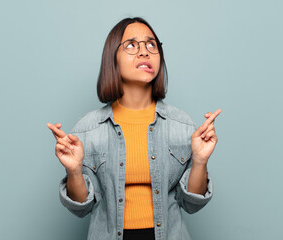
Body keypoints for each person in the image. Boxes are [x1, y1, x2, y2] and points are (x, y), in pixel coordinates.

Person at [47, 17, 221, 240]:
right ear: (113, 58)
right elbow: (80, 207)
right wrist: (73, 172)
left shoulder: (182, 124)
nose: (144, 52)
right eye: (131, 45)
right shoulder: (87, 129)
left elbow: (192, 203)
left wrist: (200, 161)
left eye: (152, 45)